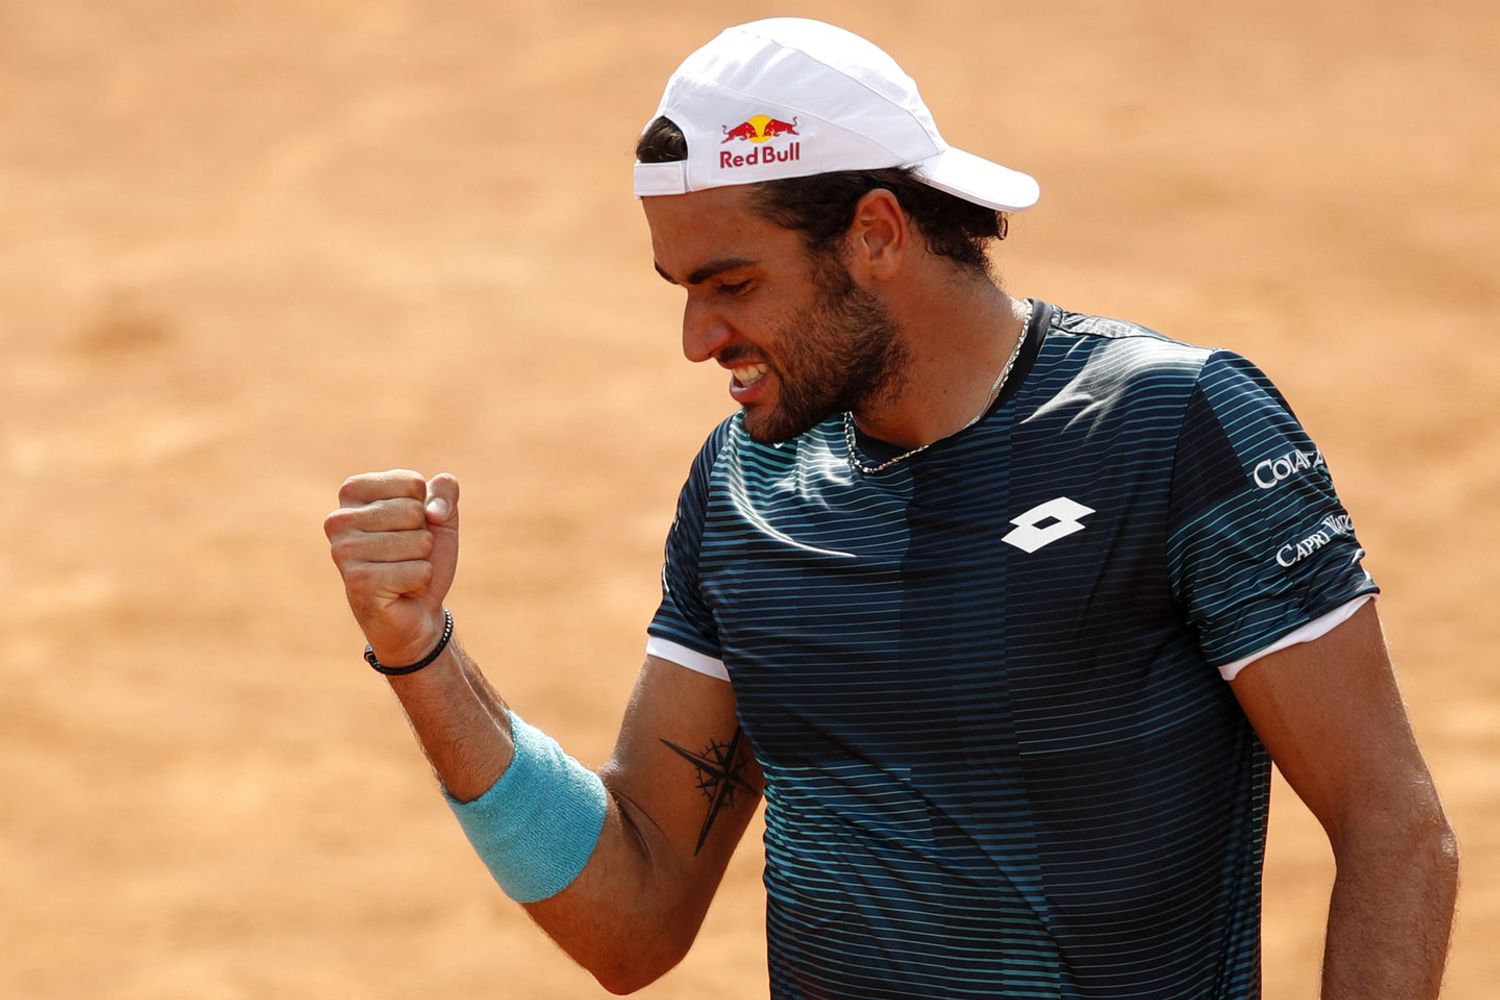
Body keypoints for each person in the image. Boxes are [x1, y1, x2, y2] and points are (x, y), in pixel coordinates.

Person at [324, 17, 1458, 1000]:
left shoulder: (1175, 429)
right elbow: (634, 918)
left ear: (875, 234)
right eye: (683, 293)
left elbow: (1391, 823)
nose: (696, 340)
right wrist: (424, 657)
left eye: (731, 284)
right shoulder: (742, 489)